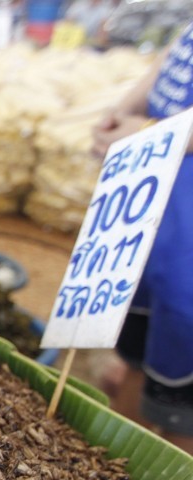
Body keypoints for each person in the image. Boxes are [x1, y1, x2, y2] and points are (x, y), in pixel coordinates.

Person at [92, 20, 193, 454]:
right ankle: (119, 467)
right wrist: (121, 109)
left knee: (182, 406)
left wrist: (156, 130)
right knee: (135, 353)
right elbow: (177, 54)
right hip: (154, 221)